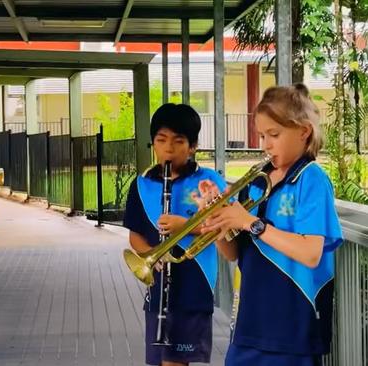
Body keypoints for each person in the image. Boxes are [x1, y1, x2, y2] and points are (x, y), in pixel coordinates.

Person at [203, 83, 343, 366]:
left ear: (304, 132)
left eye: (274, 135)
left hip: (293, 329)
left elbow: (311, 253)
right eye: (263, 135)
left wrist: (252, 223)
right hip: (249, 324)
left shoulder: (312, 180)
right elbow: (233, 253)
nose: (266, 145)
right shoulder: (255, 182)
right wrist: (216, 222)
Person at [123, 103, 226, 366]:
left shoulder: (209, 181)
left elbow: (224, 226)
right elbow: (135, 235)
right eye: (161, 140)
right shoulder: (142, 184)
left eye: (178, 141)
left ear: (192, 146)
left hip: (195, 284)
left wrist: (185, 226)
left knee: (175, 362)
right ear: (153, 144)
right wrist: (150, 255)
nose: (168, 148)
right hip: (159, 288)